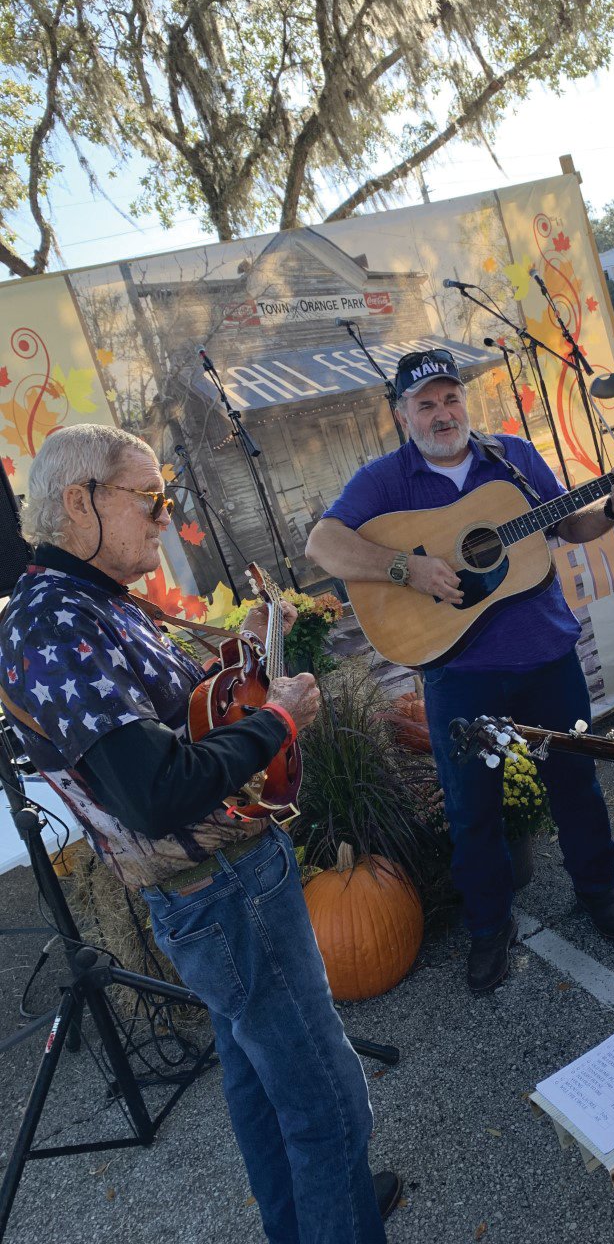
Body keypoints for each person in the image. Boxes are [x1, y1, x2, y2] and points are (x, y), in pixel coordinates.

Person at [0, 423, 398, 1244]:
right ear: (79, 502)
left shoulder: (91, 603)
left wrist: (241, 674)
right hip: (222, 896)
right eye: (149, 499)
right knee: (328, 1106)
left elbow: (173, 730)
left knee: (262, 1089)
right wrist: (279, 719)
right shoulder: (51, 623)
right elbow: (154, 792)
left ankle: (323, 1217)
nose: (163, 515)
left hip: (225, 889)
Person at [306, 348, 614, 993]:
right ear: (401, 413)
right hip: (459, 670)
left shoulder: (512, 458)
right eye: (426, 403)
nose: (442, 414)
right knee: (472, 810)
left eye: (450, 398)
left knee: (575, 780)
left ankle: (599, 890)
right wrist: (406, 569)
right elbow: (322, 544)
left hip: (546, 653)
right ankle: (490, 929)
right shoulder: (387, 480)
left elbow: (569, 525)